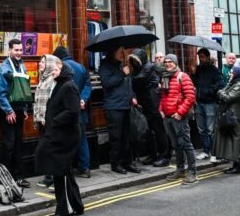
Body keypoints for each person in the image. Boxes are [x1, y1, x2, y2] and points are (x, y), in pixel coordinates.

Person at [35, 58, 84, 216]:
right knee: (65, 173)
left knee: (60, 173)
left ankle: (66, 212)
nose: (53, 72)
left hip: (65, 136)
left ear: (63, 72)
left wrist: (54, 121)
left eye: (56, 70)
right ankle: (76, 205)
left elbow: (72, 111)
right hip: (59, 135)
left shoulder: (68, 86)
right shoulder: (60, 85)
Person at [0, 38, 31, 187]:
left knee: (18, 144)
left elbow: (24, 90)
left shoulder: (22, 66)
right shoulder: (3, 68)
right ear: (9, 50)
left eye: (21, 50)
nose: (19, 53)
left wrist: (24, 108)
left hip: (19, 110)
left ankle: (18, 176)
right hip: (7, 111)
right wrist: (8, 111)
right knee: (9, 144)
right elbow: (0, 93)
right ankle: (6, 177)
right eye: (16, 50)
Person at [98, 46, 140, 174]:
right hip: (114, 106)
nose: (123, 54)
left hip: (125, 105)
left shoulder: (121, 64)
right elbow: (107, 83)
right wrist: (122, 73)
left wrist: (132, 96)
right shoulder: (105, 66)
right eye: (119, 52)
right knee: (116, 137)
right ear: (112, 52)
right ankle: (116, 164)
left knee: (126, 136)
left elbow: (128, 83)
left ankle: (127, 162)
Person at [53, 46, 93, 178]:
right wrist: (82, 99)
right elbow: (88, 85)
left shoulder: (59, 68)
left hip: (65, 111)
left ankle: (66, 169)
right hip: (79, 110)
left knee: (65, 141)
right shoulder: (81, 67)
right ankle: (84, 168)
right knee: (81, 139)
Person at [159, 54, 198, 185]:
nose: (168, 64)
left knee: (186, 144)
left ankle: (192, 172)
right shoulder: (165, 77)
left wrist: (180, 112)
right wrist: (161, 109)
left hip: (178, 117)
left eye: (170, 62)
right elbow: (163, 96)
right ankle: (180, 169)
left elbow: (190, 97)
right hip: (168, 117)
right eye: (166, 62)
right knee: (176, 144)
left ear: (176, 63)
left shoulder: (183, 76)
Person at [128, 48, 169, 167]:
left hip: (153, 102)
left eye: (136, 60)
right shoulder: (137, 69)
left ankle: (164, 156)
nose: (134, 63)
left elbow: (138, 81)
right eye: (133, 61)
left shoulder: (148, 67)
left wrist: (126, 76)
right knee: (148, 131)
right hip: (145, 103)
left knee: (158, 130)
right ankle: (153, 155)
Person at [213, 67, 240, 174]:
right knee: (234, 139)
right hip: (232, 114)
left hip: (235, 116)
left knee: (236, 139)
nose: (230, 74)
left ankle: (238, 165)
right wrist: (227, 85)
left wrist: (220, 91)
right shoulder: (234, 85)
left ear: (237, 74)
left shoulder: (239, 86)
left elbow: (227, 97)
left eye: (232, 73)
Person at [191, 48, 225, 163]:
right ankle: (206, 151)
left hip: (210, 103)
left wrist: (210, 91)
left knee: (211, 129)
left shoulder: (214, 70)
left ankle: (214, 153)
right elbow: (195, 83)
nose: (201, 59)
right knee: (201, 129)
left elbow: (221, 84)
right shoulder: (199, 69)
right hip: (199, 102)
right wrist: (193, 73)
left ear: (207, 57)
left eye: (202, 56)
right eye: (199, 56)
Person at [34, 54, 61, 189]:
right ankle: (49, 177)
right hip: (41, 121)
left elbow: (51, 101)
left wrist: (45, 117)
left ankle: (53, 178)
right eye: (40, 61)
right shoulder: (43, 78)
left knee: (50, 149)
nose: (40, 64)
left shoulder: (52, 80)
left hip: (47, 121)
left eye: (43, 62)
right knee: (45, 149)